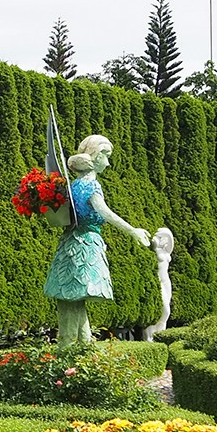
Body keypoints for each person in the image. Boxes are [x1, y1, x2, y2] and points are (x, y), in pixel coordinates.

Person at [43, 134, 152, 347]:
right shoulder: (91, 187)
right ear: (96, 156)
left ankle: (85, 348)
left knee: (73, 298)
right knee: (73, 299)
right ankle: (68, 351)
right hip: (85, 245)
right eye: (106, 156)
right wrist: (133, 231)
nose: (108, 162)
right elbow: (106, 212)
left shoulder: (74, 185)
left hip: (69, 244)